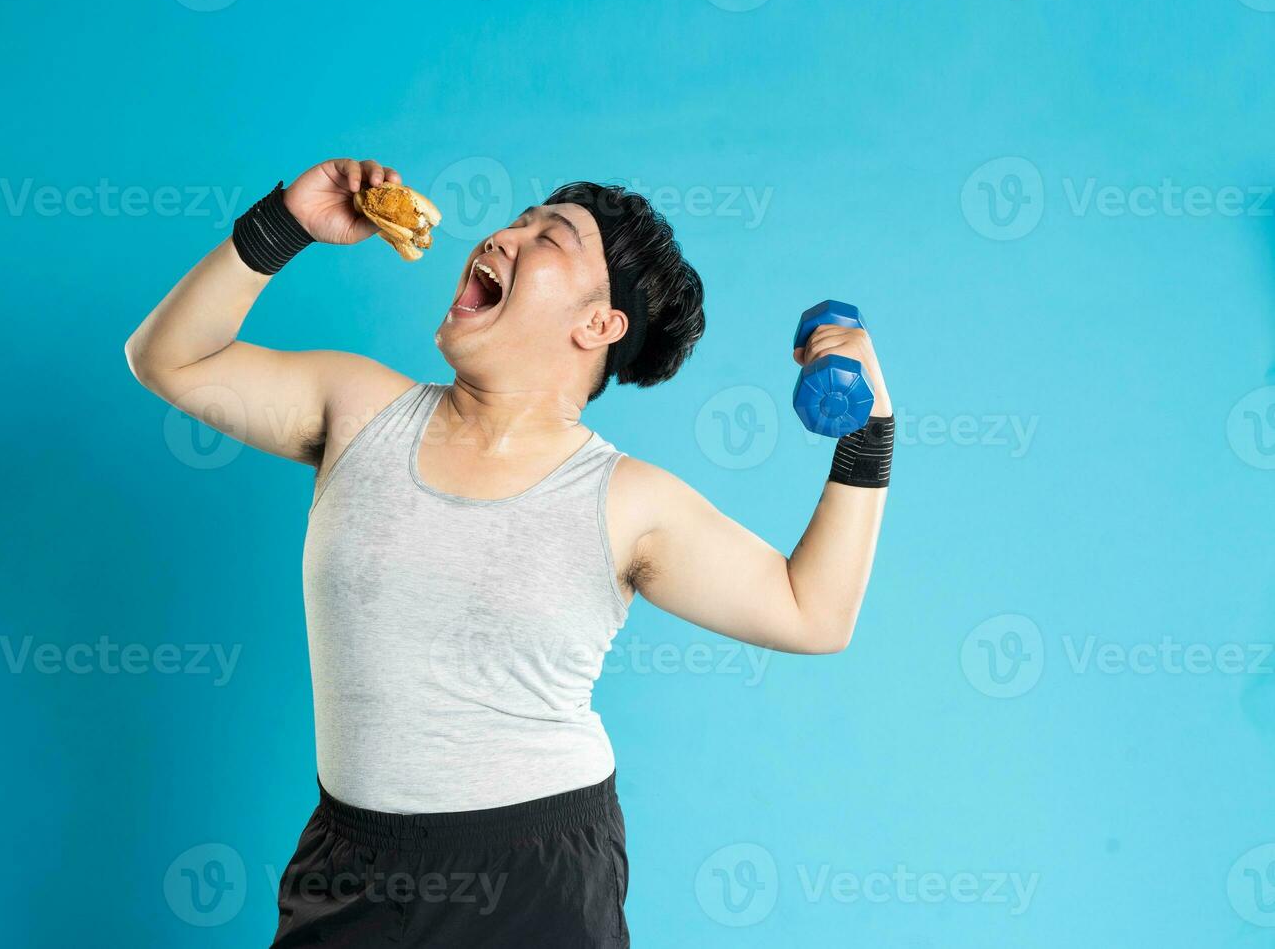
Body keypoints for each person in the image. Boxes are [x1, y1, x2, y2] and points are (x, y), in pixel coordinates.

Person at [125, 157, 893, 947]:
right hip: (348, 866)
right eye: (517, 221)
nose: (506, 236)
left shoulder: (625, 499)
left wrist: (870, 433)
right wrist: (286, 223)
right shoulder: (356, 408)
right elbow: (167, 360)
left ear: (599, 325)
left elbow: (815, 612)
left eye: (548, 237)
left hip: (535, 878)